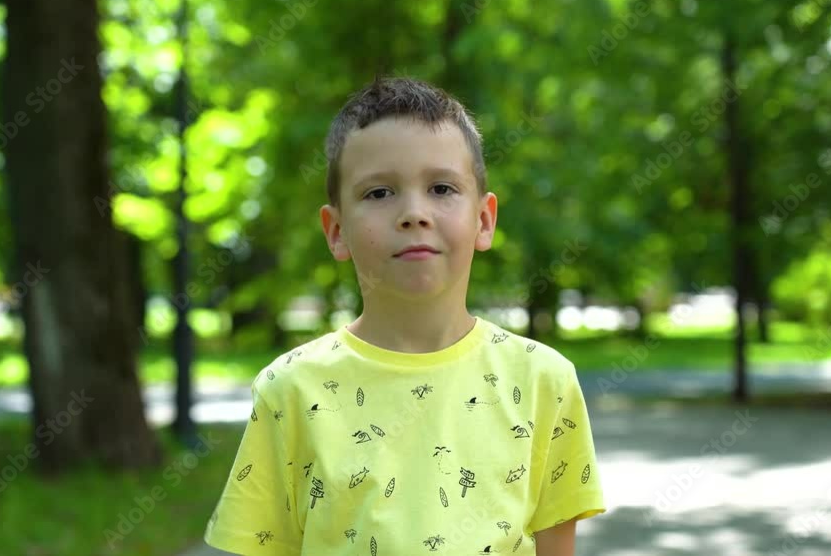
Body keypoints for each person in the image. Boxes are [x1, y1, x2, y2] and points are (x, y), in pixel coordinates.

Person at [204, 76, 605, 555]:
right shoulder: (288, 391)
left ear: (483, 220)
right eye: (378, 193)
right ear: (336, 231)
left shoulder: (544, 382)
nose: (414, 213)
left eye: (441, 188)